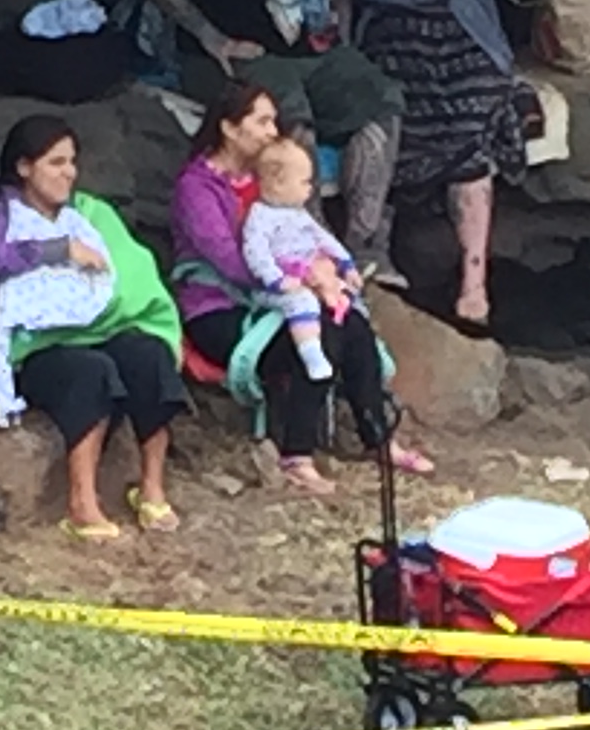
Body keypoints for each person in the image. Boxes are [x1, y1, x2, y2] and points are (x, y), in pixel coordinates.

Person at [130, 0, 404, 281]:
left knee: (381, 98)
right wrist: (207, 35)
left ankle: (364, 242)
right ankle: (312, 246)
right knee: (285, 116)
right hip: (243, 51)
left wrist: (343, 28)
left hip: (318, 47)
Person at [171, 78, 434, 499]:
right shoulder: (197, 188)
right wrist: (299, 278)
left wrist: (326, 272)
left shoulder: (274, 175)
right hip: (219, 307)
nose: (273, 131)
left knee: (352, 328)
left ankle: (379, 437)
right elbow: (229, 259)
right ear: (230, 128)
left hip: (288, 294)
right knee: (317, 339)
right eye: (263, 121)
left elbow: (307, 234)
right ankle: (297, 455)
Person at [0, 114, 188, 540]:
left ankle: (152, 488)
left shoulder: (88, 213)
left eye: (72, 161)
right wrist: (58, 249)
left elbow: (132, 272)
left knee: (148, 356)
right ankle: (82, 503)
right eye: (55, 162)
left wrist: (162, 327)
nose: (69, 172)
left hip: (98, 328)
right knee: (91, 372)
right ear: (24, 167)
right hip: (34, 347)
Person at [348, 0, 523, 335]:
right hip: (396, 33)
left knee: (478, 102)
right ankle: (382, 259)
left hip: (463, 32)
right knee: (398, 102)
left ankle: (475, 283)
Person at [240, 137, 360, 382]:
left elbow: (324, 239)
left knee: (347, 295)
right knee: (302, 302)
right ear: (278, 183)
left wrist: (346, 263)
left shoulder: (300, 214)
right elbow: (255, 252)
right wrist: (276, 280)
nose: (311, 188)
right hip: (275, 286)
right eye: (305, 182)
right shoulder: (260, 217)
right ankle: (311, 352)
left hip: (310, 275)